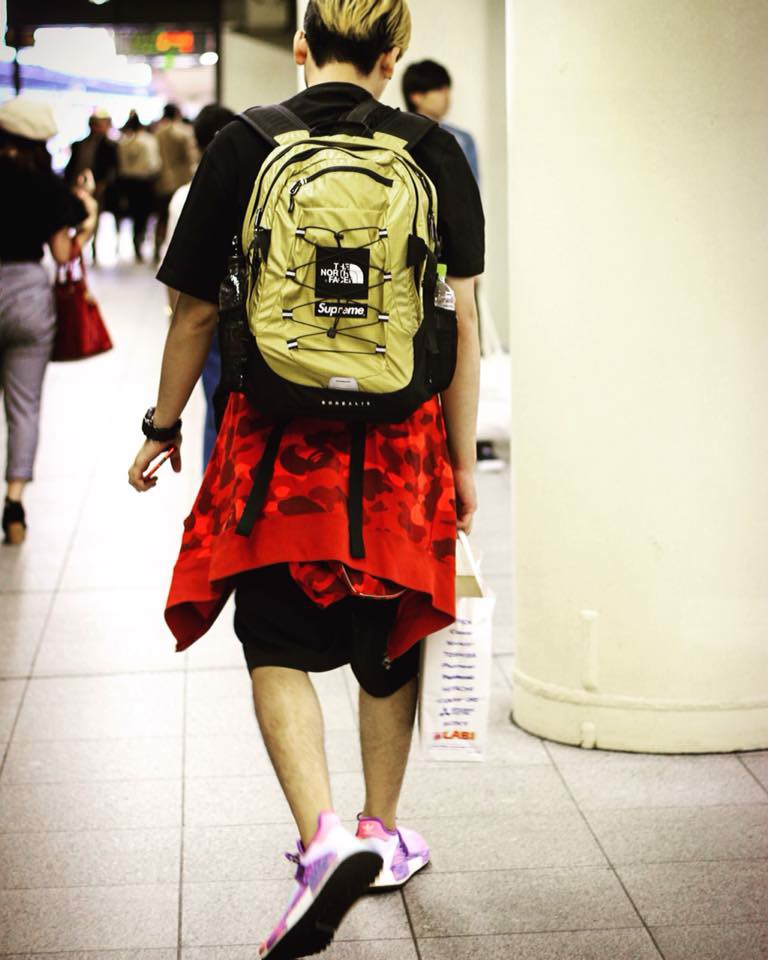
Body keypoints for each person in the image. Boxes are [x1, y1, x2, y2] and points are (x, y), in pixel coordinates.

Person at [128, 1, 483, 956]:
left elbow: (194, 314)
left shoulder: (245, 145)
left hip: (280, 446)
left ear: (299, 46)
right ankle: (380, 831)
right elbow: (462, 321)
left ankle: (322, 838)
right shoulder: (434, 151)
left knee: (275, 634)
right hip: (399, 445)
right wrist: (459, 461)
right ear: (393, 56)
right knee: (388, 629)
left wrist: (162, 425)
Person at [1, 98, 97, 544]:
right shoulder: (47, 185)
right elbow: (62, 254)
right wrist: (87, 223)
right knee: (24, 407)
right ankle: (14, 504)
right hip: (28, 296)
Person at [403, 58, 504, 470]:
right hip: (422, 262)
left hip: (447, 261)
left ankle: (467, 438)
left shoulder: (458, 140)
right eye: (437, 89)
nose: (446, 97)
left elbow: (470, 206)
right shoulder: (408, 138)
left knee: (459, 341)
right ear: (416, 94)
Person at [160, 103, 235, 467]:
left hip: (205, 318)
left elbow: (176, 271)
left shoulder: (185, 196)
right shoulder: (251, 188)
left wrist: (176, 318)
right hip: (243, 318)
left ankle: (212, 483)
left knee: (214, 409)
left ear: (197, 144)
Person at [64, 110, 117, 264]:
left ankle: (90, 248)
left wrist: (103, 184)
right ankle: (78, 248)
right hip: (78, 187)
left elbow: (112, 169)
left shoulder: (109, 146)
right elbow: (71, 167)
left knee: (93, 219)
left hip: (96, 189)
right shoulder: (79, 145)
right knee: (78, 217)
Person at [114, 113, 161, 262]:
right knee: (144, 214)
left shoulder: (123, 143)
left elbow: (121, 166)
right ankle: (140, 239)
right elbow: (154, 164)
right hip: (144, 182)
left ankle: (136, 239)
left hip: (128, 182)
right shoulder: (148, 141)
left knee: (134, 213)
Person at [153, 104, 196, 263]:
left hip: (161, 180)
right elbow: (190, 157)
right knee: (178, 217)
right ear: (177, 114)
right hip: (180, 179)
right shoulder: (184, 132)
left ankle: (157, 247)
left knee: (161, 216)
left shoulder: (158, 132)